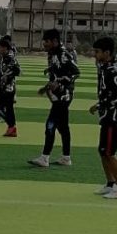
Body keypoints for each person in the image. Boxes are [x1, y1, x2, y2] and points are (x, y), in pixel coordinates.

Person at [28, 28, 79, 169]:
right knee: (63, 127)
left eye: (47, 41)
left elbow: (76, 72)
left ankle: (45, 158)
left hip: (64, 95)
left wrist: (60, 83)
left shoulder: (63, 54)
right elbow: (56, 75)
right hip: (58, 95)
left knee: (50, 124)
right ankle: (66, 157)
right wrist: (46, 87)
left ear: (55, 41)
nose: (44, 44)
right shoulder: (53, 54)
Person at [89, 36, 117, 198]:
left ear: (107, 53)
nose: (95, 55)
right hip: (107, 116)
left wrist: (101, 104)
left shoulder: (113, 71)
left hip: (115, 118)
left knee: (110, 152)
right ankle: (110, 183)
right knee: (103, 151)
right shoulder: (105, 67)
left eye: (97, 52)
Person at [0, 35, 21, 137]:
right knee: (9, 109)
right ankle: (11, 129)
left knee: (0, 109)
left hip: (9, 88)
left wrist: (7, 76)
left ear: (5, 48)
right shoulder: (4, 58)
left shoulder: (10, 58)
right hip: (5, 87)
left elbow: (18, 71)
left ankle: (12, 126)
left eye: (0, 48)